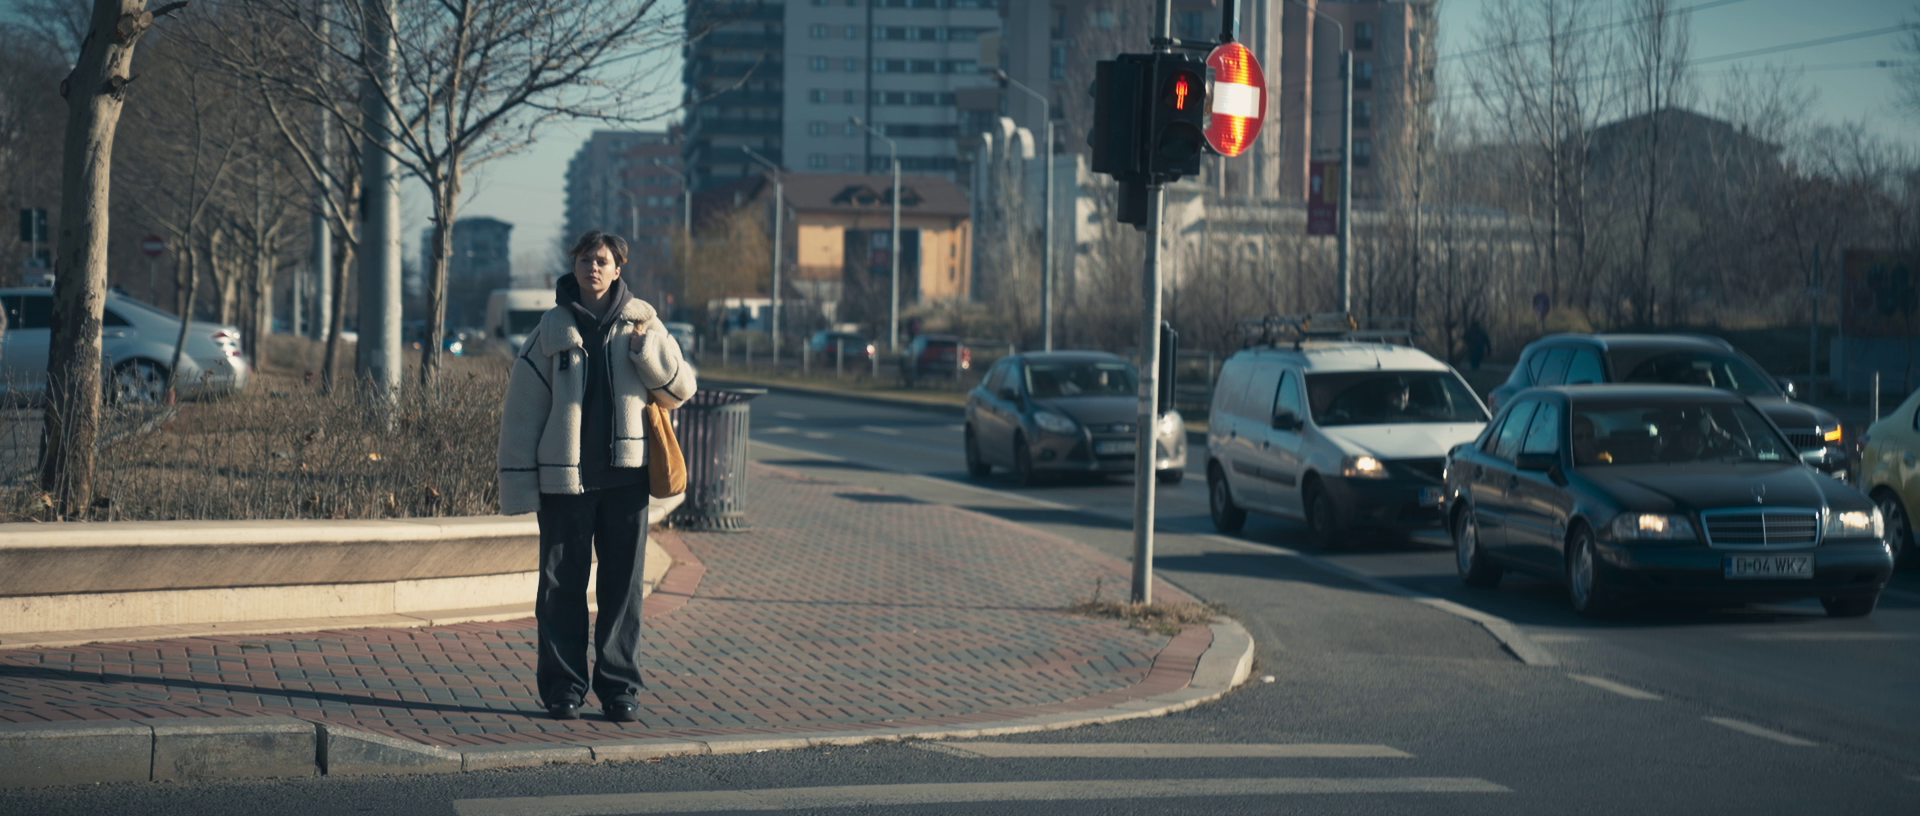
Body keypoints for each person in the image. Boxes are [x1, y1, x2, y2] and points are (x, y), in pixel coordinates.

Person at [497, 230, 697, 723]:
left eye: (603, 260)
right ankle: (563, 688)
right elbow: (522, 412)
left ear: (618, 268)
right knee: (560, 587)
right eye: (586, 259)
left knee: (622, 590)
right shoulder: (551, 330)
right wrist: (521, 484)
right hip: (566, 483)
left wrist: (646, 353)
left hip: (625, 483)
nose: (594, 267)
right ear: (575, 265)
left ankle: (619, 689)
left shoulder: (644, 322)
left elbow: (682, 389)